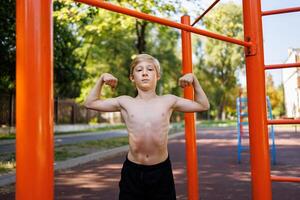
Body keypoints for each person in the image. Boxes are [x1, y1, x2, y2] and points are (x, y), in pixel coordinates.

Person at [84, 54, 209, 200]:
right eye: (139, 70)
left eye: (150, 69)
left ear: (158, 75)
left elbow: (203, 105)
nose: (144, 73)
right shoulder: (125, 102)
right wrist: (101, 79)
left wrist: (194, 80)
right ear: (132, 77)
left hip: (161, 171)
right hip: (133, 171)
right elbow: (90, 103)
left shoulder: (168, 100)